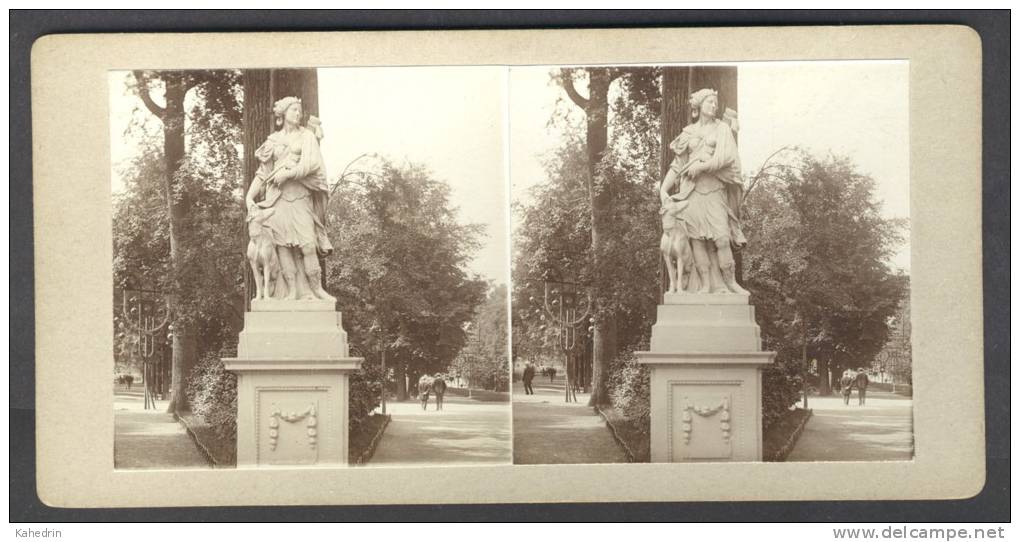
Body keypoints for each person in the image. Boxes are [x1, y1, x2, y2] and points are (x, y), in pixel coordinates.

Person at [245, 96, 335, 302]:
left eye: (299, 110)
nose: (298, 113)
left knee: (308, 245)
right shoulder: (273, 141)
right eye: (294, 110)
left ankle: (316, 289)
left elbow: (312, 164)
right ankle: (292, 290)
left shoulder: (307, 137)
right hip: (277, 201)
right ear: (283, 114)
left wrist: (289, 174)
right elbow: (262, 173)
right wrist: (249, 196)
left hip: (300, 197)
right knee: (283, 246)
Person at [659, 88, 748, 295]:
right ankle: (706, 285)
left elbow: (727, 157)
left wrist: (702, 166)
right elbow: (677, 164)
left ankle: (730, 282)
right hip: (691, 194)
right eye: (710, 102)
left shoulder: (722, 129)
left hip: (714, 191)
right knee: (697, 240)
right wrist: (664, 188)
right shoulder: (689, 132)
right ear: (699, 106)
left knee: (722, 238)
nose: (714, 106)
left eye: (715, 103)